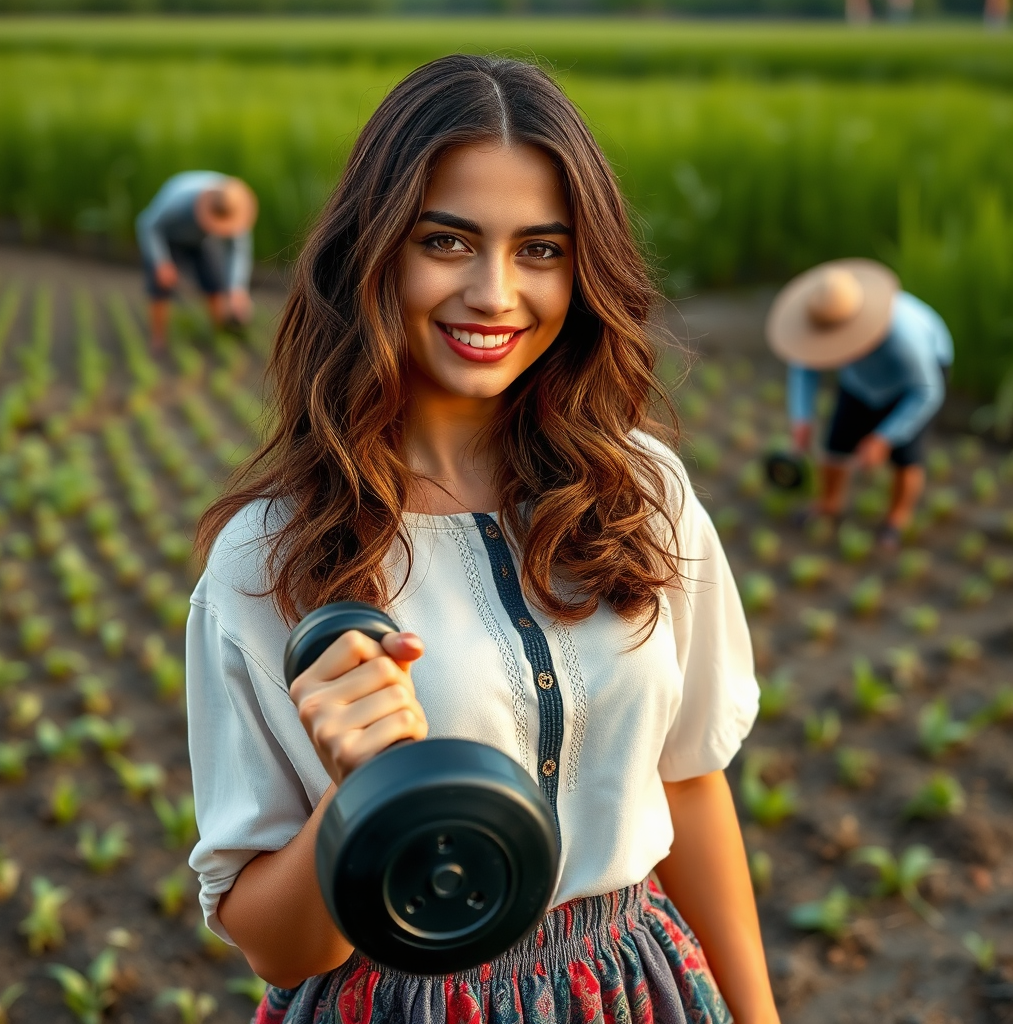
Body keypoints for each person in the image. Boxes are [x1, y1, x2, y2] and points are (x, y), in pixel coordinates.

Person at [187, 55, 777, 1024]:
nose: (496, 292)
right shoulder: (269, 557)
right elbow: (274, 942)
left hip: (633, 988)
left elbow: (690, 787)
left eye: (541, 249)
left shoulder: (641, 490)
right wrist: (360, 799)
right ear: (373, 251)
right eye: (448, 240)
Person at [767, 258, 953, 550]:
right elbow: (804, 366)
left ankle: (897, 518)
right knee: (837, 443)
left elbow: (927, 392)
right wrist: (802, 417)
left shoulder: (906, 339)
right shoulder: (820, 320)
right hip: (859, 380)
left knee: (905, 456)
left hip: (917, 382)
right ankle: (829, 504)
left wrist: (884, 437)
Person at [135, 170, 258, 350]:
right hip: (168, 237)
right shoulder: (180, 201)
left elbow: (238, 252)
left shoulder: (234, 207)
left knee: (214, 282)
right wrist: (161, 262)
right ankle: (158, 338)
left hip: (202, 240)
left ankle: (220, 331)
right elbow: (148, 225)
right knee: (159, 286)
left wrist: (237, 289)